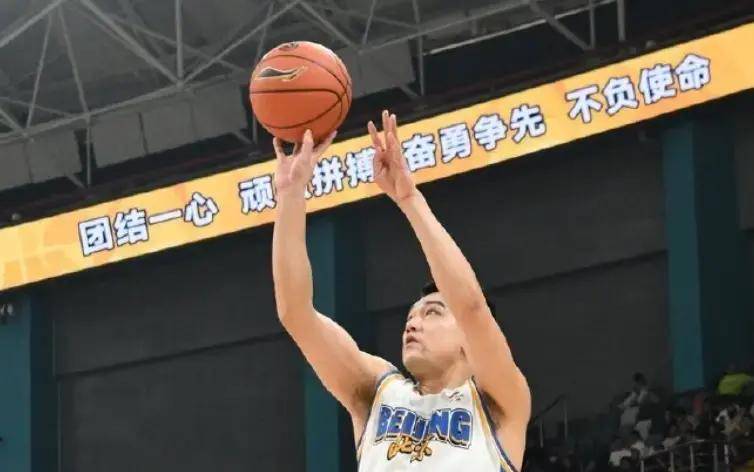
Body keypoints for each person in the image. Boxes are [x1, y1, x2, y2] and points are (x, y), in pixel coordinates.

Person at [271, 110, 531, 471]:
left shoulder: (498, 401)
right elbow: (295, 313)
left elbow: (471, 308)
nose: (412, 323)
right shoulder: (378, 392)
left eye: (433, 312)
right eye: (411, 316)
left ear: (468, 341)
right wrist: (290, 195)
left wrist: (409, 198)